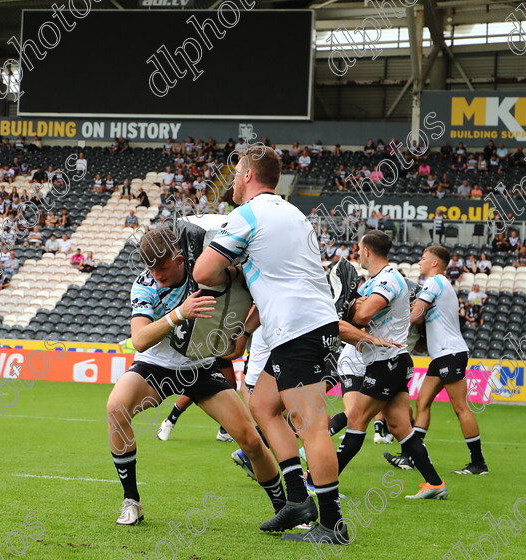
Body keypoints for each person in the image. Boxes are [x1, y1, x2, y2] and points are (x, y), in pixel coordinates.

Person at [193, 145, 347, 544]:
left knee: (311, 426)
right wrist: (244, 327)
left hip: (300, 328)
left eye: (236, 172)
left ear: (246, 175)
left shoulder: (247, 214)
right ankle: (297, 501)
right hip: (306, 324)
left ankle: (332, 525)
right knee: (262, 405)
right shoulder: (292, 213)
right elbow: (279, 281)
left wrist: (231, 265)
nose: (232, 180)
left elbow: (203, 271)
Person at [106, 228, 282, 529]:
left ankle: (285, 510)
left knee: (251, 440)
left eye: (162, 267)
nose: (156, 274)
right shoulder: (145, 284)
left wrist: (242, 331)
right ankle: (131, 500)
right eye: (150, 268)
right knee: (116, 409)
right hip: (155, 366)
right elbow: (139, 339)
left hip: (200, 367)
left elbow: (261, 297)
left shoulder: (207, 270)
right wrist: (179, 314)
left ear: (178, 259)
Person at [336, 231, 447, 500]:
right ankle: (435, 484)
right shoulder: (374, 281)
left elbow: (361, 314)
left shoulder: (388, 279)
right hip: (391, 362)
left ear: (367, 251)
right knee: (400, 427)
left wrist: (349, 307)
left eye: (359, 248)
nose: (357, 252)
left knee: (355, 419)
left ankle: (315, 480)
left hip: (386, 363)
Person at [401, 246, 488, 475]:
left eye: (423, 259)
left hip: (450, 352)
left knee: (460, 408)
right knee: (422, 403)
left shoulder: (434, 282)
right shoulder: (438, 284)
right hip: (442, 354)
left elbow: (415, 316)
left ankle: (478, 463)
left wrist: (396, 309)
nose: (419, 262)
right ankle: (411, 457)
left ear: (434, 263)